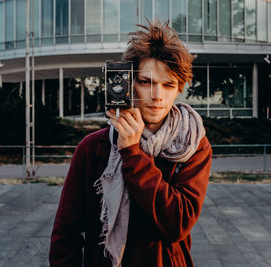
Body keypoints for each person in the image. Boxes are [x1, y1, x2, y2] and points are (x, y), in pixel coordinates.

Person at [49, 20, 212, 267]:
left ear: (179, 88)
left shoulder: (192, 145)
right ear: (128, 83)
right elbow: (66, 234)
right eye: (146, 82)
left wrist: (132, 153)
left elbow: (177, 223)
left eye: (168, 85)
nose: (157, 95)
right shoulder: (92, 148)